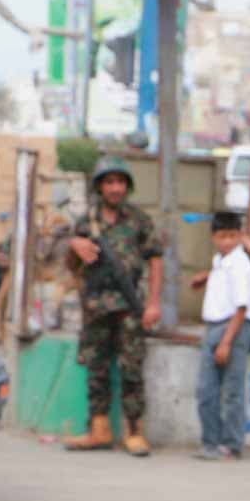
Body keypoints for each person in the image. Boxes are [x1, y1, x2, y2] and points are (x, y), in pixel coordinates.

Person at [61, 158, 163, 456]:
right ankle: (99, 430)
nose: (115, 188)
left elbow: (155, 263)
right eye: (109, 182)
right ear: (100, 187)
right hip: (96, 307)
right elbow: (72, 267)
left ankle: (134, 432)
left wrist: (153, 304)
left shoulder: (140, 220)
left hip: (130, 307)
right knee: (97, 369)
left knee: (132, 368)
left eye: (120, 182)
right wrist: (73, 246)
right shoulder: (86, 222)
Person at [192, 211, 250, 459]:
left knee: (232, 390)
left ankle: (231, 444)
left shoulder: (240, 263)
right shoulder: (220, 261)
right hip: (214, 327)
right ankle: (210, 442)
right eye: (222, 236)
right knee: (206, 390)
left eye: (232, 236)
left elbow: (241, 307)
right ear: (213, 237)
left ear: (240, 236)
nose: (227, 242)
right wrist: (205, 277)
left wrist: (226, 342)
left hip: (234, 327)